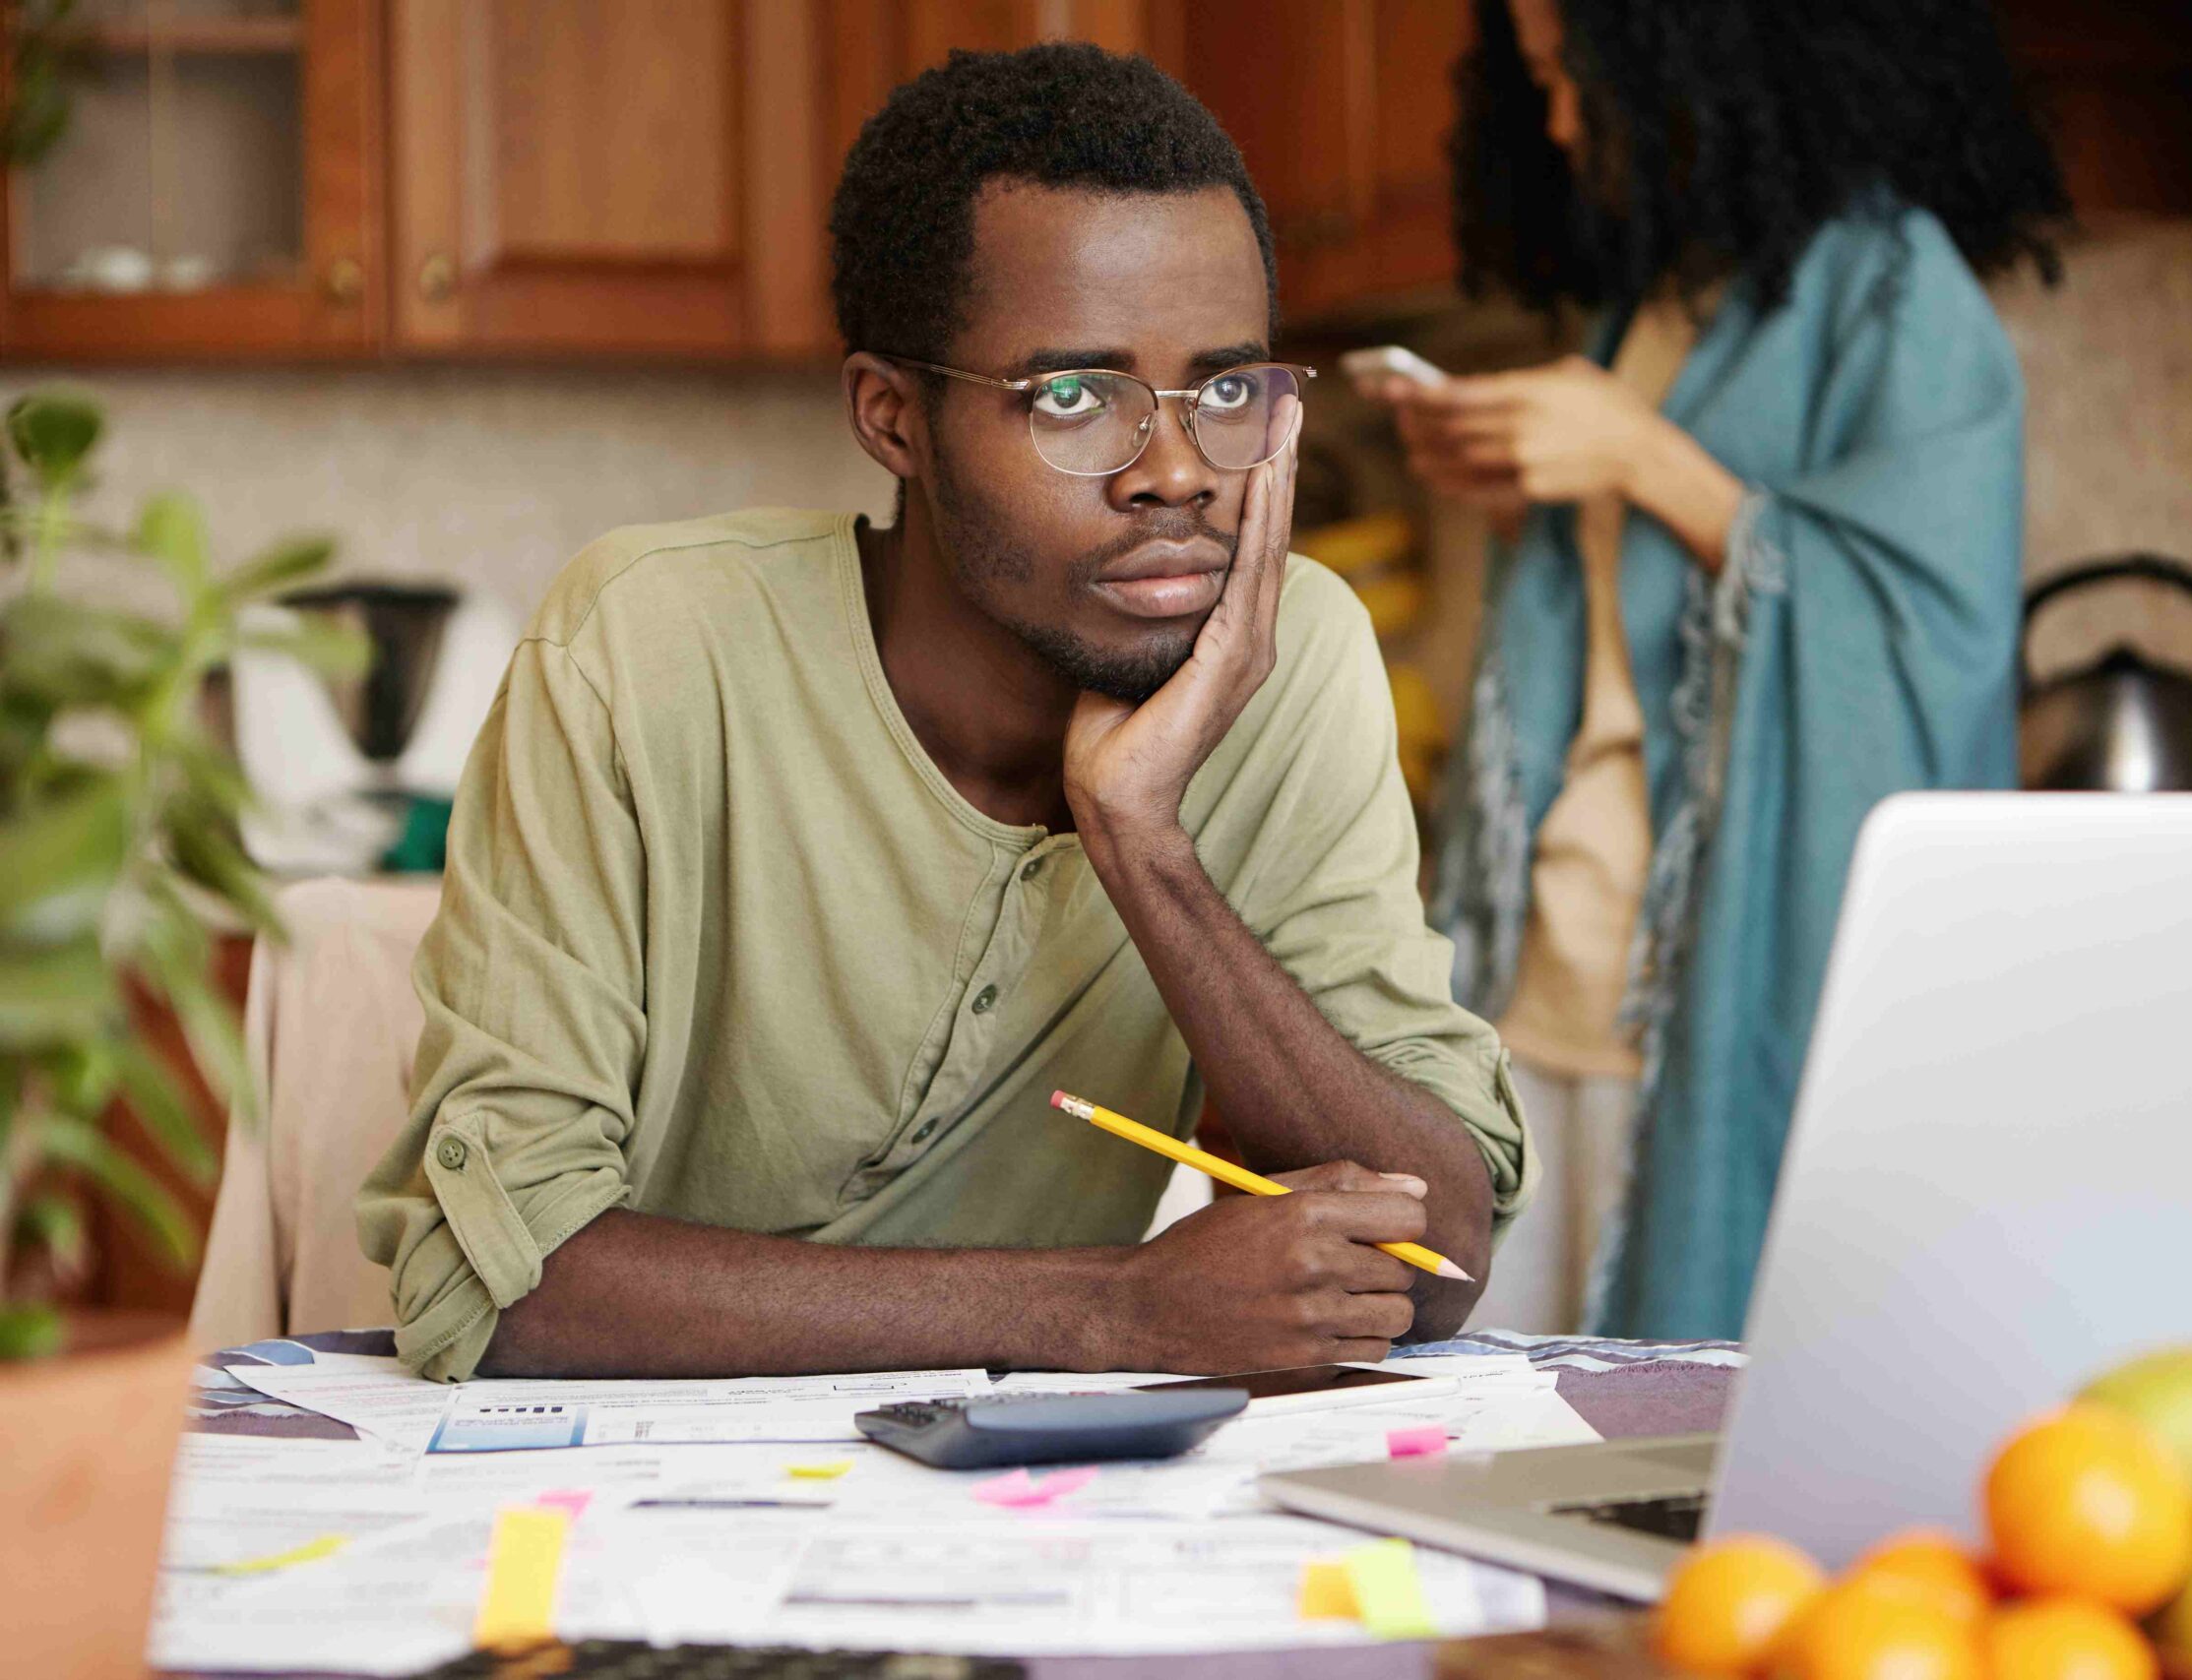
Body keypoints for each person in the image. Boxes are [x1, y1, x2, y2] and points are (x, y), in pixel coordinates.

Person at [356, 43, 1530, 1383]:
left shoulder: (1283, 656)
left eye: (1224, 392)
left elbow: (1433, 1263)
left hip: (1041, 1525)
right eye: (1074, 397)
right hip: (617, 1507)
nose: (1178, 474)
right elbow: (498, 1286)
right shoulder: (646, 645)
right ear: (892, 417)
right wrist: (1112, 1315)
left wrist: (1144, 840)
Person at [1359, 0, 2067, 1338]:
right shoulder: (1654, 299)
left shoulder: (1895, 286)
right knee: (1506, 1431)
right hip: (1541, 980)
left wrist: (1635, 458)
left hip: (1711, 995)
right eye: (1542, 86)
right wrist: (1529, 495)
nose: (1560, 124)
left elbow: (1934, 640)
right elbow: (1645, 615)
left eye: (1578, 78)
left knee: (1661, 1452)